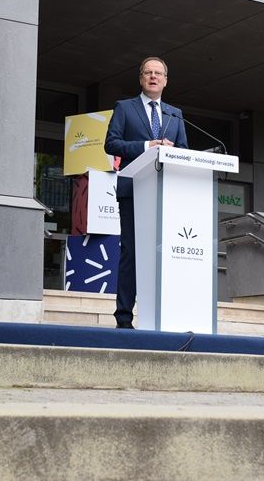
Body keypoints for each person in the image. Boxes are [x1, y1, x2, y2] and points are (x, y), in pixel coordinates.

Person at [104, 56, 188, 328]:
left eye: (158, 73)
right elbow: (111, 144)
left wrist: (172, 152)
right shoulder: (125, 108)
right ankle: (124, 317)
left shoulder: (175, 114)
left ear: (165, 80)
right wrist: (146, 146)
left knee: (164, 254)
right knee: (131, 252)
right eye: (148, 72)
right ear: (141, 78)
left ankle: (163, 315)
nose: (153, 77)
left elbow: (184, 150)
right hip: (134, 190)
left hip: (165, 194)